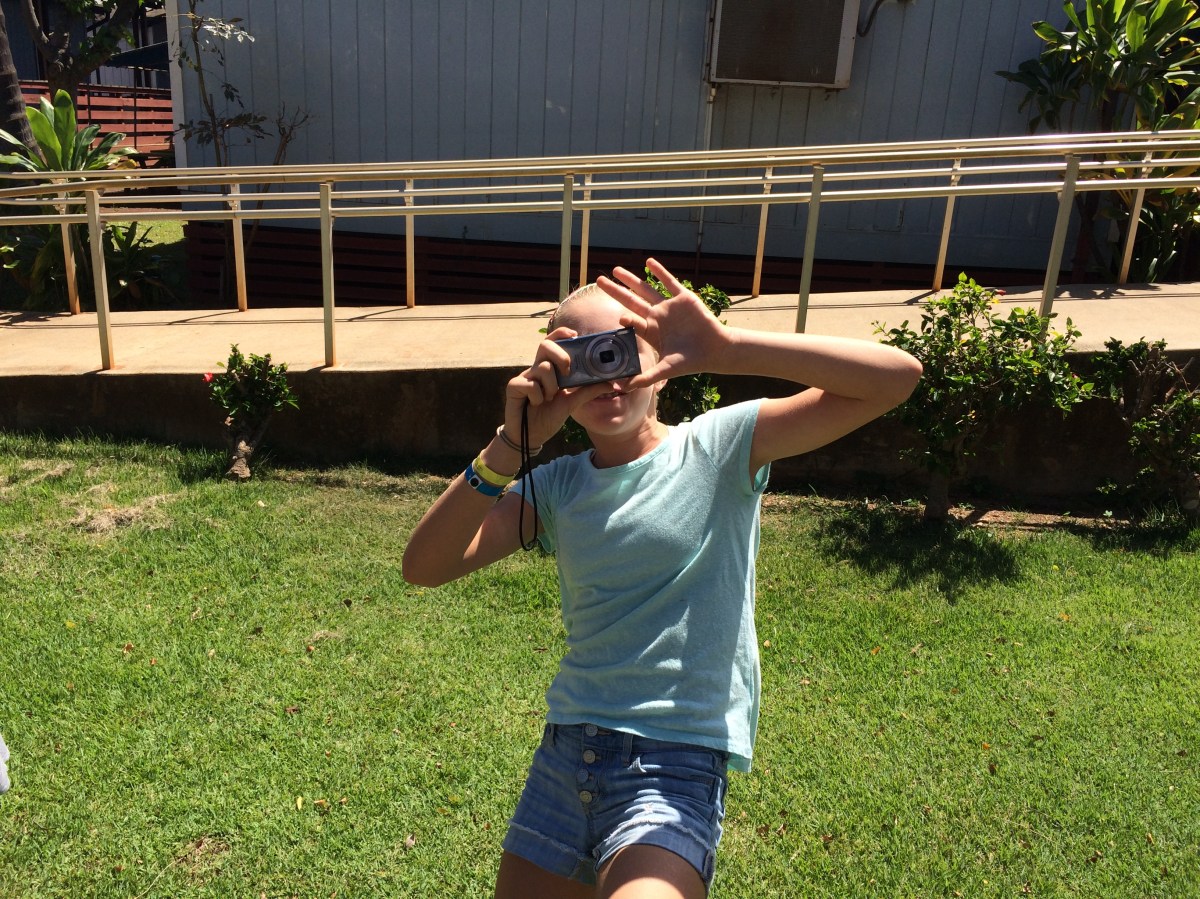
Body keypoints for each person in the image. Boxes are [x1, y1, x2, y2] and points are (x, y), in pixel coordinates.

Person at [402, 258, 922, 899]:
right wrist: (511, 444)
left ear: (664, 362)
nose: (607, 373)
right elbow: (424, 566)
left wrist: (728, 348)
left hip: (674, 763)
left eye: (623, 347)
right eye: (581, 357)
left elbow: (896, 379)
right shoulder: (557, 486)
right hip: (566, 754)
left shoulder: (717, 447)